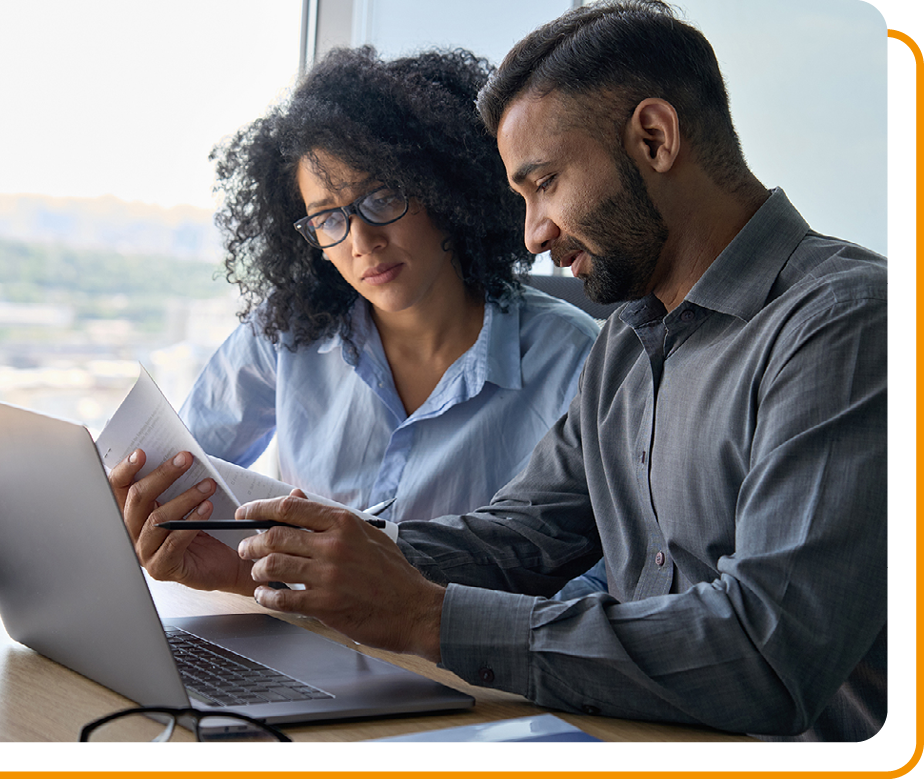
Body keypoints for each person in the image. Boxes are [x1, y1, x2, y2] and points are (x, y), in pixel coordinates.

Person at [112, 0, 886, 743]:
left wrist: (430, 619)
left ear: (654, 138)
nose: (535, 232)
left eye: (545, 183)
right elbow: (520, 536)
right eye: (520, 194)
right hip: (626, 736)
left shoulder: (846, 322)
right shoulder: (629, 341)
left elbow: (766, 653)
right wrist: (272, 565)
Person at [175, 47, 598, 525]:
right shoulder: (287, 333)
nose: (361, 241)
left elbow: (600, 578)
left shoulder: (574, 360)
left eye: (381, 197)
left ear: (446, 192)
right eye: (328, 217)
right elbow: (179, 467)